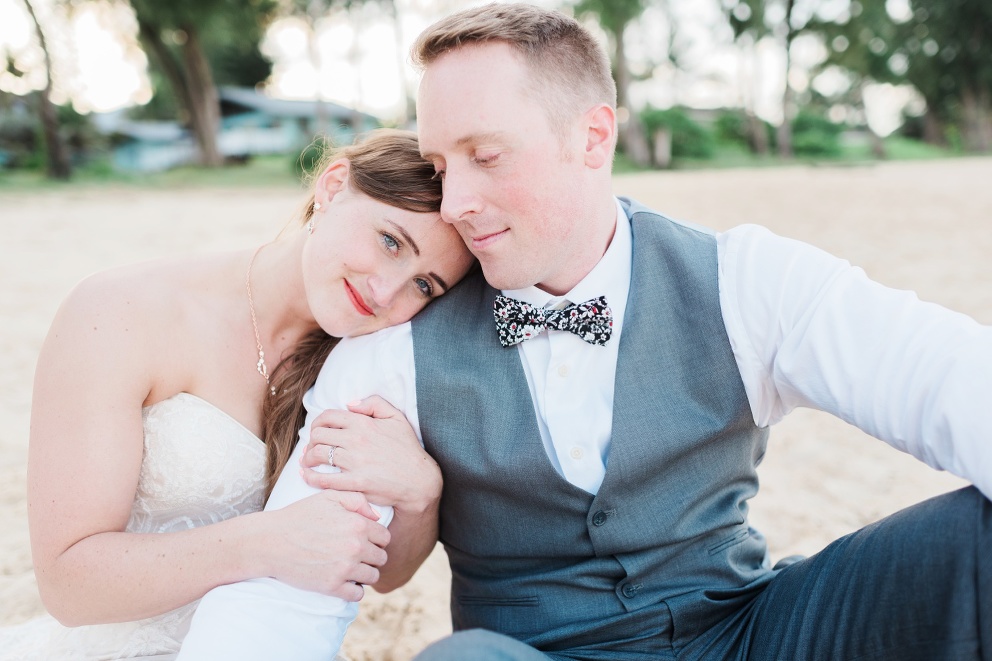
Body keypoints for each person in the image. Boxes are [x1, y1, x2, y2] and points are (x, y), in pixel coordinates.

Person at [178, 4, 992, 660]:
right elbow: (287, 591)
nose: (456, 199)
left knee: (975, 539)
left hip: (748, 635)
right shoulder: (392, 348)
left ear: (592, 137)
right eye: (439, 165)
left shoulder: (744, 279)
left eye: (485, 156)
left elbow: (947, 378)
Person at [0, 128, 475, 660]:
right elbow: (68, 584)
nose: (386, 292)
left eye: (425, 285)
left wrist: (421, 493)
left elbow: (385, 576)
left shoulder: (369, 363)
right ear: (334, 187)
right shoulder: (120, 313)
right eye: (390, 241)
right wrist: (266, 543)